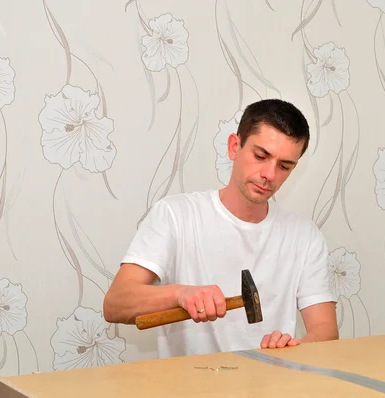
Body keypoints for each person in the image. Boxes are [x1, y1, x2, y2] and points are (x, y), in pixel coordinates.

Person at [103, 99, 338, 358]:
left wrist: (293, 348)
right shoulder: (175, 215)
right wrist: (182, 294)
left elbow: (325, 333)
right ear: (234, 147)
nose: (269, 174)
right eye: (260, 156)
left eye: (284, 166)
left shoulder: (304, 236)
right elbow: (115, 304)